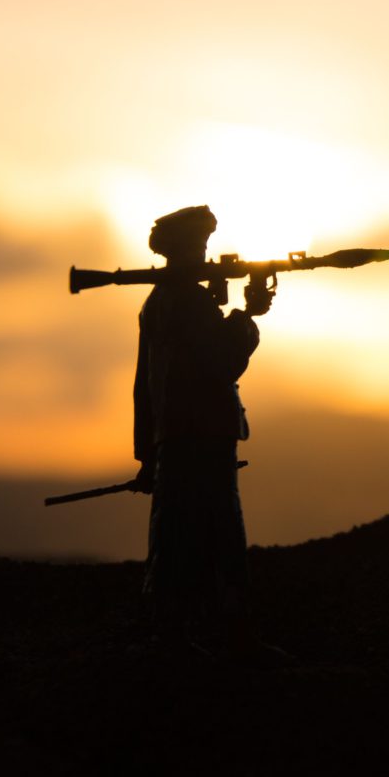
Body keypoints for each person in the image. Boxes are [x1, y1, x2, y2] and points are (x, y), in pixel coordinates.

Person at [132, 204, 269, 650]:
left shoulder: (156, 302)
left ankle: (173, 628)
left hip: (174, 436)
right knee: (219, 531)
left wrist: (149, 455)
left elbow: (144, 388)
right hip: (205, 432)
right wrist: (248, 317)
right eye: (200, 245)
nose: (204, 253)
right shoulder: (187, 301)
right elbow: (223, 362)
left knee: (175, 532)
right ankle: (227, 635)